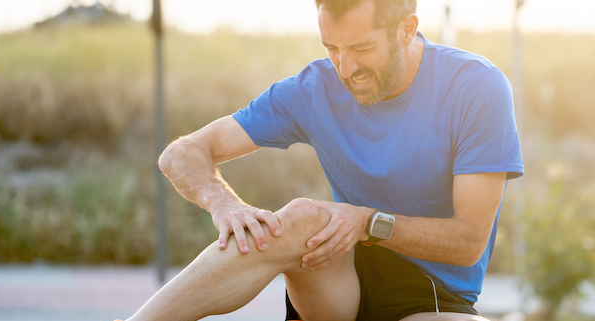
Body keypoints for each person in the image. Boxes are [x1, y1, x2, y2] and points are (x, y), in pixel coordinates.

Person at [125, 0, 523, 320]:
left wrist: (367, 223)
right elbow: (181, 153)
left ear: (406, 29)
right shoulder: (313, 87)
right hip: (338, 278)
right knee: (302, 218)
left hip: (432, 294)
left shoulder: (476, 87)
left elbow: (469, 241)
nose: (345, 69)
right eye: (332, 49)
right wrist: (225, 204)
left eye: (361, 48)